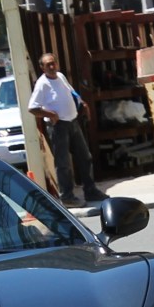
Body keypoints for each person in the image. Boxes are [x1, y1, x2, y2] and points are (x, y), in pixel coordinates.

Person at [28, 52, 107, 208]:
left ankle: (90, 191)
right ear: (42, 67)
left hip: (72, 121)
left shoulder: (60, 77)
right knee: (63, 163)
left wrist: (81, 102)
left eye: (53, 63)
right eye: (48, 64)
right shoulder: (42, 84)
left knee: (85, 157)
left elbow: (71, 91)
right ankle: (67, 197)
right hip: (59, 127)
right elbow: (32, 108)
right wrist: (49, 114)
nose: (51, 67)